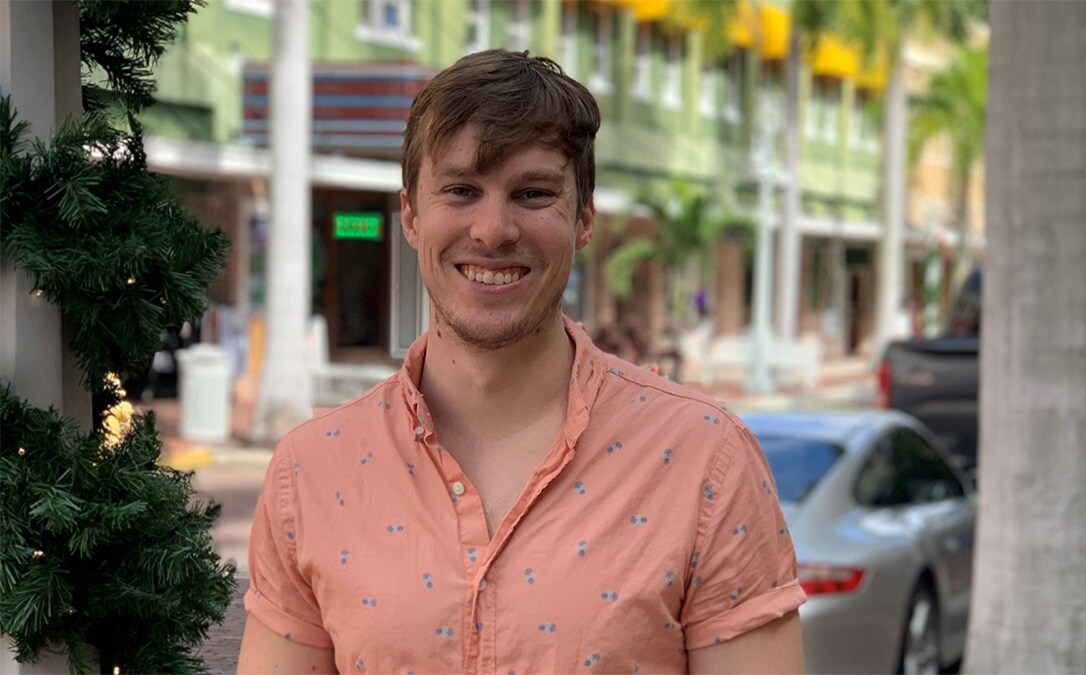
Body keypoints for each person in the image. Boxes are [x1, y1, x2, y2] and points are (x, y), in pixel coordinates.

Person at [237, 49, 806, 674]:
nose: (492, 229)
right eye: (461, 190)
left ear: (583, 219)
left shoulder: (706, 460)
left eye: (533, 194)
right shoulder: (312, 471)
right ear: (411, 216)